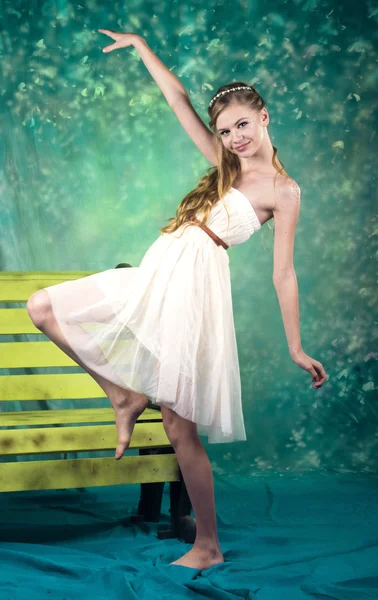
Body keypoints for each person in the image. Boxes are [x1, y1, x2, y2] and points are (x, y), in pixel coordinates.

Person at [26, 29, 328, 570]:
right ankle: (122, 394)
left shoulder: (284, 191)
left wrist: (296, 346)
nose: (234, 137)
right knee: (43, 306)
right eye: (225, 130)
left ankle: (208, 545)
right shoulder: (226, 165)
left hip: (196, 284)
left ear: (264, 117)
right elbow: (176, 99)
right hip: (160, 267)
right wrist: (141, 45)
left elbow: (285, 273)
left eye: (242, 124)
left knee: (177, 425)